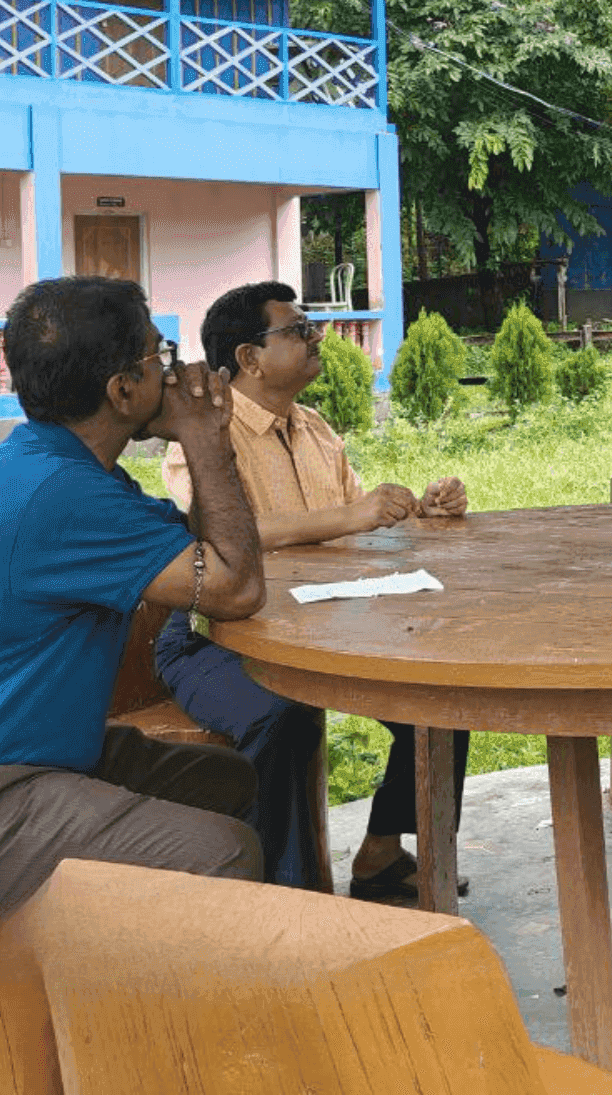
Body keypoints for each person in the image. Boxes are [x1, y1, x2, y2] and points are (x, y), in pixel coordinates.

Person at [156, 282, 472, 902]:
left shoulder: (316, 427)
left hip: (323, 622)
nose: (316, 337)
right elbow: (226, 535)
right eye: (298, 330)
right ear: (249, 357)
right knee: (281, 713)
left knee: (442, 693)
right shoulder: (202, 439)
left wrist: (418, 513)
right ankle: (282, 893)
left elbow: (353, 521)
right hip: (214, 638)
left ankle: (382, 851)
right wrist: (356, 514)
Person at [0, 277, 264, 915]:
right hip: (14, 778)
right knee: (223, 853)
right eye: (160, 359)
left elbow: (205, 549)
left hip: (48, 748)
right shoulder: (69, 497)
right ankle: (139, 1013)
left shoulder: (47, 464)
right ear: (123, 390)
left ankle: (277, 948)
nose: (173, 377)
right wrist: (205, 436)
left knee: (228, 781)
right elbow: (236, 586)